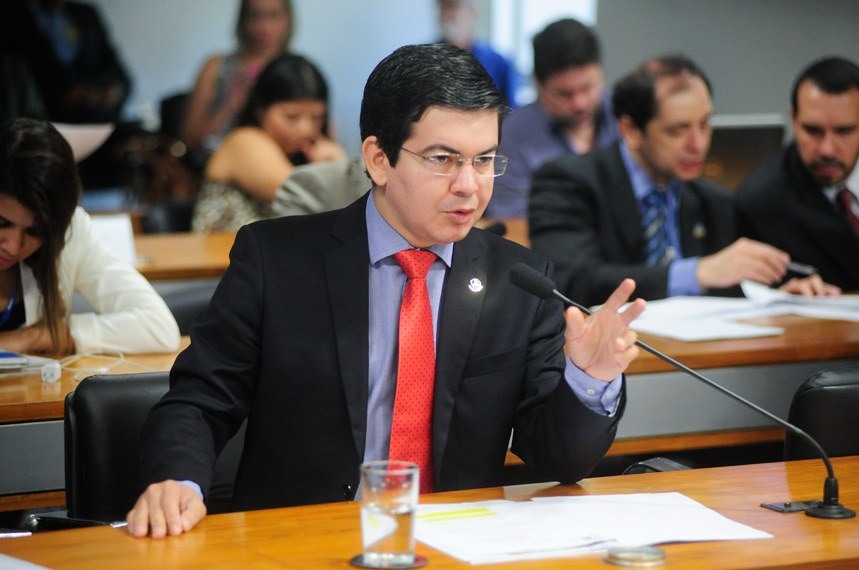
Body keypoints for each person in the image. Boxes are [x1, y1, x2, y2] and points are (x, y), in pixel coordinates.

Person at [126, 43, 646, 538]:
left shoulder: (520, 281)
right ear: (378, 159)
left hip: (459, 544)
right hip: (300, 542)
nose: (469, 185)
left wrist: (588, 379)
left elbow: (558, 459)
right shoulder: (276, 260)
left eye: (484, 159)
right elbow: (198, 399)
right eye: (443, 160)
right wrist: (179, 480)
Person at [529, 55, 837, 308]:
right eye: (678, 130)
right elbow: (573, 281)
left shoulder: (711, 201)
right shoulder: (567, 182)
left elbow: (726, 288)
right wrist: (698, 272)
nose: (698, 144)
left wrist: (780, 295)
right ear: (631, 130)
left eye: (705, 124)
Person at [0, 118, 180, 355]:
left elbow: (159, 329)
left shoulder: (70, 231)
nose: (13, 246)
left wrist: (44, 336)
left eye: (36, 231)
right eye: (2, 224)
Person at [735, 56, 859, 291]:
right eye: (813, 130)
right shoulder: (762, 201)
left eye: (844, 131)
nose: (827, 149)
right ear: (794, 120)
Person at [191, 53, 345, 233]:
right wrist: (336, 167)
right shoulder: (244, 141)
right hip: (221, 259)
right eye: (291, 117)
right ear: (260, 109)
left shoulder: (305, 154)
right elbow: (302, 198)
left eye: (317, 118)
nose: (306, 129)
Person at [487, 18, 619, 218]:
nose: (579, 103)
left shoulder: (626, 116)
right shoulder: (513, 134)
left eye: (587, 88)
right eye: (564, 94)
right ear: (538, 84)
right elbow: (513, 221)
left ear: (601, 73)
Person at [181, 0, 293, 164]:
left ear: (288, 20)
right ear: (243, 20)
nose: (264, 26)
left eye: (274, 15)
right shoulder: (217, 67)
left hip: (277, 165)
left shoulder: (297, 73)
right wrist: (230, 106)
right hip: (218, 168)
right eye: (255, 15)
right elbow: (189, 140)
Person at [0, 0, 130, 125]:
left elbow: (119, 73)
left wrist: (115, 90)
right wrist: (62, 96)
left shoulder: (87, 15)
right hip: (39, 127)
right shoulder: (10, 14)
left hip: (97, 124)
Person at [437, 0, 518, 107]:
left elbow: (510, 112)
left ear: (472, 12)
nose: (447, 14)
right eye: (443, 7)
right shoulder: (424, 59)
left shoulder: (498, 63)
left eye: (454, 7)